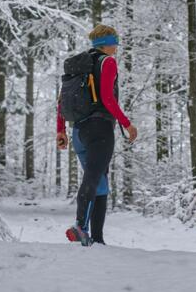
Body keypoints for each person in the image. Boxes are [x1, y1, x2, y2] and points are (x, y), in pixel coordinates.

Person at [56, 24, 137, 246]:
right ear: (109, 43)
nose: (117, 46)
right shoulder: (107, 62)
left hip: (78, 131)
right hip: (100, 129)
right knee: (93, 177)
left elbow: (62, 99)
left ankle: (97, 240)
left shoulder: (81, 64)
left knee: (100, 182)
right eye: (115, 41)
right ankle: (81, 227)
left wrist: (60, 130)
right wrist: (127, 124)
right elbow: (107, 98)